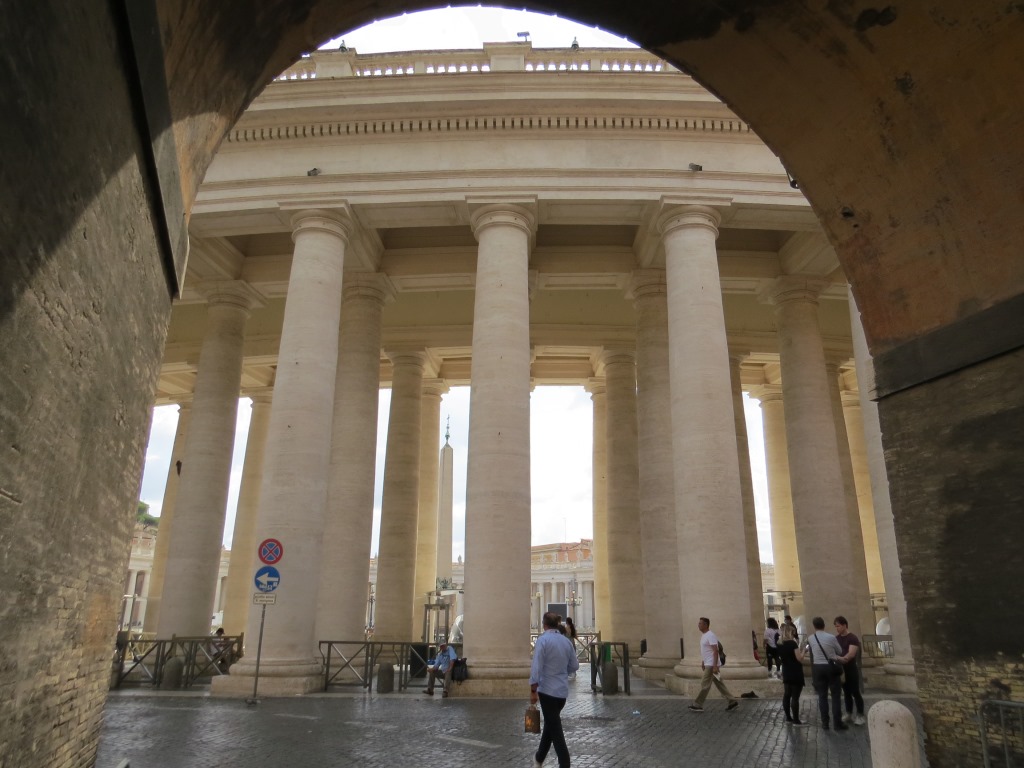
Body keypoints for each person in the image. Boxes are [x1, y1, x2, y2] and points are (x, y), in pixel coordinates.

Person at [530, 611, 579, 768]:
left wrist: (533, 688)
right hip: (562, 692)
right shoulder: (566, 642)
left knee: (555, 729)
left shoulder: (543, 641)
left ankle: (565, 763)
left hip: (547, 690)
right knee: (551, 725)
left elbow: (536, 666)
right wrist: (562, 671)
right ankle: (538, 758)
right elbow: (574, 666)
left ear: (544, 625)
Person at [688, 617, 740, 713]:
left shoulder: (710, 635)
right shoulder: (704, 636)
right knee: (720, 684)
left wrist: (715, 665)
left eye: (700, 623)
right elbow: (706, 651)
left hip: (711, 664)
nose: (698, 625)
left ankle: (698, 704)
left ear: (706, 625)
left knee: (705, 684)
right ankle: (732, 701)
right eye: (698, 623)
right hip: (708, 662)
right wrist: (703, 661)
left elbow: (715, 651)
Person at [805, 616, 847, 731]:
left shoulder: (811, 638)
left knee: (822, 696)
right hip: (830, 666)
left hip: (817, 668)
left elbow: (809, 649)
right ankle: (837, 723)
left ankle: (825, 723)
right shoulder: (831, 637)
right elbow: (839, 651)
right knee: (835, 696)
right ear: (824, 625)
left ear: (814, 626)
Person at [834, 616, 866, 725]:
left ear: (844, 625)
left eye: (838, 626)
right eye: (836, 626)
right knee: (846, 692)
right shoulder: (837, 638)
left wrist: (843, 659)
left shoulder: (852, 638)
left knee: (855, 692)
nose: (837, 628)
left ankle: (860, 714)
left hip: (851, 669)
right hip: (842, 669)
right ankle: (848, 713)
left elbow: (851, 653)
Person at [777, 623, 808, 725]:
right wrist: (804, 651)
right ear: (790, 632)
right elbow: (799, 658)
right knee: (795, 697)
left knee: (787, 695)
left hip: (786, 670)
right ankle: (796, 719)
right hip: (795, 671)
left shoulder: (779, 643)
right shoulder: (792, 644)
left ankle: (788, 718)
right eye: (793, 632)